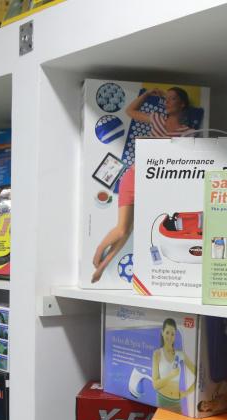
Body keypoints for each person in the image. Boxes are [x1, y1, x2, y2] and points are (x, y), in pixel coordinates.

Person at [91, 87, 200, 282]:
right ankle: (99, 252)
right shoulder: (157, 119)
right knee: (123, 229)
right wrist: (147, 94)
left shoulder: (188, 133)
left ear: (182, 104)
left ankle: (103, 265)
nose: (167, 102)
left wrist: (152, 142)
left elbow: (180, 160)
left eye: (172, 99)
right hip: (134, 176)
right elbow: (129, 112)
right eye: (166, 99)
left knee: (133, 230)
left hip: (154, 184)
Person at [152, 318, 196, 413]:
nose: (170, 336)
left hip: (176, 402)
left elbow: (198, 376)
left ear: (175, 335)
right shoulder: (157, 354)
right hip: (162, 400)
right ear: (162, 332)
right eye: (167, 332)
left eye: (173, 334)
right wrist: (171, 375)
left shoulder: (180, 354)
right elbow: (155, 385)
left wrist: (185, 393)